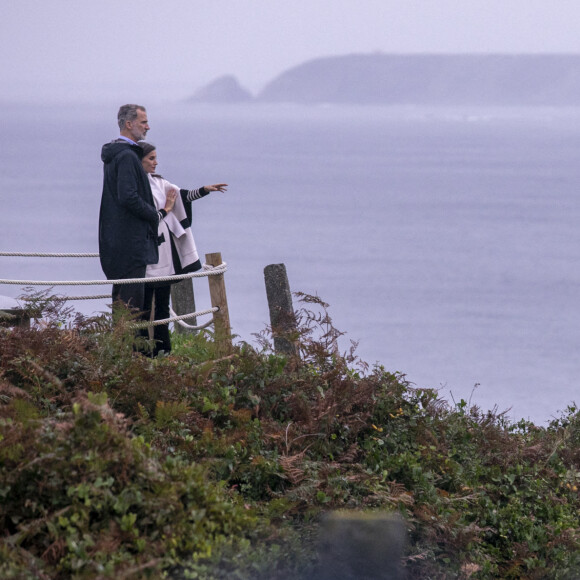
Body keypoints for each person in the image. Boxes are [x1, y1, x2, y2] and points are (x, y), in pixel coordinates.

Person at [139, 140, 228, 356]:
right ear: (139, 161)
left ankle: (163, 349)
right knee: (141, 306)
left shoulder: (159, 182)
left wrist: (205, 190)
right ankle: (141, 352)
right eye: (151, 158)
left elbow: (183, 196)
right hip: (147, 250)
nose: (156, 162)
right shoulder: (136, 186)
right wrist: (166, 209)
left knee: (162, 303)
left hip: (166, 251)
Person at [98, 104, 173, 317]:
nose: (148, 127)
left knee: (121, 305)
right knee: (132, 307)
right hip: (131, 241)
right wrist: (155, 214)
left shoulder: (116, 154)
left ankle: (119, 349)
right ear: (129, 124)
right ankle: (128, 351)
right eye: (143, 122)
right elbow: (128, 197)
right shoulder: (128, 157)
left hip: (116, 238)